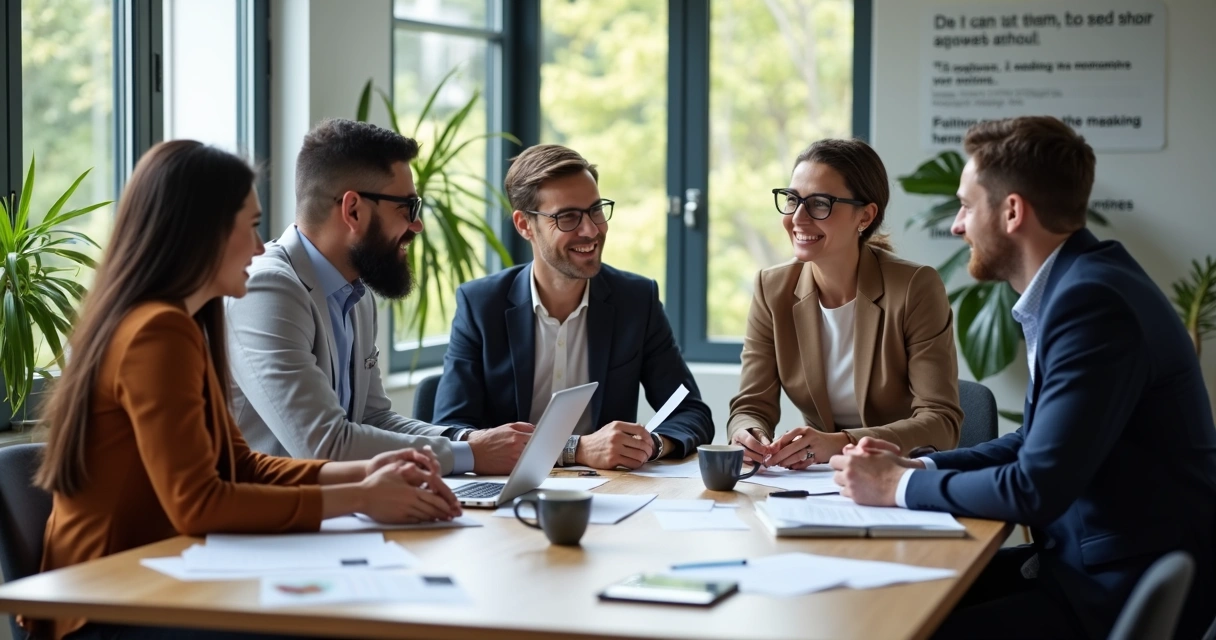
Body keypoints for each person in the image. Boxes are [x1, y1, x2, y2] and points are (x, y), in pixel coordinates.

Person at [32, 140, 461, 640]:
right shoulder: (155, 332)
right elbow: (199, 504)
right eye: (252, 226)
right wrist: (358, 496)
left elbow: (241, 465)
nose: (260, 248)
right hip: (104, 601)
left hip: (157, 578)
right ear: (204, 234)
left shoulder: (188, 325)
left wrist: (365, 471)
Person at [830, 116, 1216, 639]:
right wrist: (918, 462)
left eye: (967, 206)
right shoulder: (1083, 284)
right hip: (1087, 568)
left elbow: (1034, 489)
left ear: (1012, 211)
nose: (956, 225)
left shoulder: (1091, 304)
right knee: (897, 594)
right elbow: (1034, 444)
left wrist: (899, 485)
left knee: (908, 623)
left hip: (1113, 594)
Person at [225, 119, 531, 476]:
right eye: (408, 208)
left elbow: (374, 418)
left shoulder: (355, 292)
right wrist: (471, 456)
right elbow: (324, 444)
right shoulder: (267, 289)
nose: (417, 226)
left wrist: (470, 442)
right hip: (271, 522)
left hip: (338, 510)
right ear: (353, 210)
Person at [432, 144, 713, 470]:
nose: (591, 230)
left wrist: (650, 445)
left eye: (596, 210)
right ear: (524, 225)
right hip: (507, 494)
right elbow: (451, 432)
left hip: (611, 495)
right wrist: (574, 449)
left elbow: (691, 411)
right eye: (568, 217)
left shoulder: (636, 300)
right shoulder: (481, 305)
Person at [727, 138, 962, 469]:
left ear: (864, 216)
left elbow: (941, 421)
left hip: (899, 473)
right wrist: (748, 434)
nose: (798, 218)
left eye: (820, 203)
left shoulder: (914, 287)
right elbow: (752, 404)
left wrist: (840, 444)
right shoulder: (773, 289)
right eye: (793, 200)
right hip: (819, 482)